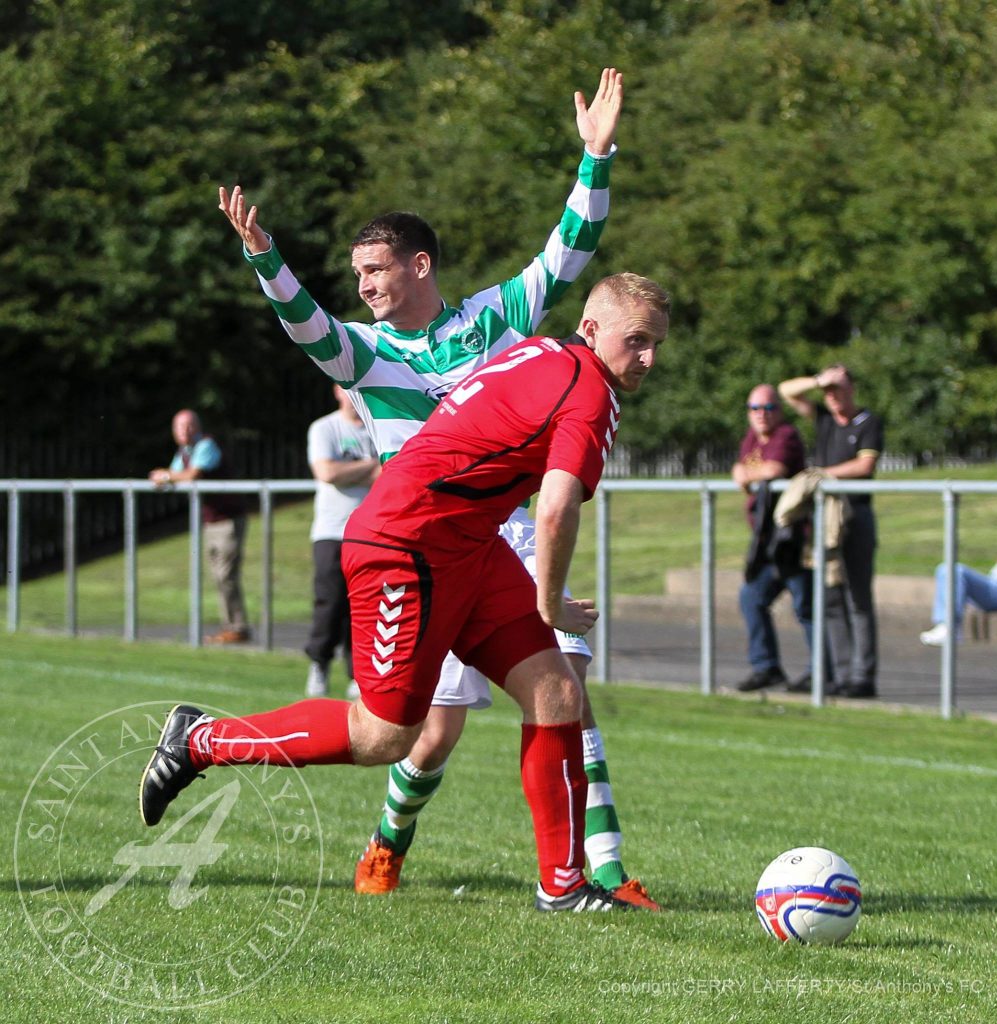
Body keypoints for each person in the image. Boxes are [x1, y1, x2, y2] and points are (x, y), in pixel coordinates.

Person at [214, 68, 655, 909]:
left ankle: (599, 871)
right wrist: (266, 260)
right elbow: (304, 319)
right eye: (358, 275)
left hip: (502, 536)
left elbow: (570, 252)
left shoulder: (493, 320)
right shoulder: (362, 352)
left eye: (377, 270)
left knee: (566, 687)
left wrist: (596, 157)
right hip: (415, 544)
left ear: (420, 265)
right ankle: (388, 840)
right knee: (423, 735)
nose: (366, 287)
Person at [140, 274, 671, 916]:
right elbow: (556, 508)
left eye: (655, 345)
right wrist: (551, 602)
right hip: (405, 546)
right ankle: (200, 740)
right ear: (592, 330)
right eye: (636, 341)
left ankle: (563, 887)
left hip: (467, 542)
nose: (647, 359)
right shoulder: (590, 390)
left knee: (556, 689)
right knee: (385, 737)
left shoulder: (543, 353)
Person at [778, 364, 884, 699]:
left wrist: (823, 475)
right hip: (825, 520)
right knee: (831, 598)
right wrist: (817, 380)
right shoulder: (824, 418)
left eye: (839, 388)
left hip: (855, 515)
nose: (833, 396)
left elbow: (864, 465)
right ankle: (840, 674)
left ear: (851, 388)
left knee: (858, 598)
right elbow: (786, 391)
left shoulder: (868, 422)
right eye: (828, 391)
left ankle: (861, 675)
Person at [731, 385, 812, 693]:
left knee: (806, 605)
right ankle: (766, 667)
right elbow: (749, 469)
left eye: (768, 408)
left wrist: (743, 472)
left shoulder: (786, 436)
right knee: (752, 597)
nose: (761, 415)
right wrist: (746, 470)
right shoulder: (752, 438)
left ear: (779, 411)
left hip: (793, 538)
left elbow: (774, 470)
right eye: (755, 408)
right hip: (766, 542)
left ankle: (822, 672)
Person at [148, 409, 250, 644]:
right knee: (219, 576)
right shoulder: (185, 451)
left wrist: (164, 477)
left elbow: (190, 475)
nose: (185, 431)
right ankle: (231, 627)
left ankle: (237, 627)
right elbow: (177, 474)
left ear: (198, 427)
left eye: (189, 426)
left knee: (226, 575)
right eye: (180, 427)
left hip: (228, 519)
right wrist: (168, 476)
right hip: (210, 521)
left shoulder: (206, 446)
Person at [305, 384, 380, 697]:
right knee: (330, 601)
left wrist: (350, 471)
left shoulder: (378, 428)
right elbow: (327, 472)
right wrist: (370, 467)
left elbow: (391, 472)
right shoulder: (324, 428)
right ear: (337, 390)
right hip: (332, 531)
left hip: (372, 532)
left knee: (364, 605)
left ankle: (357, 674)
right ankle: (319, 663)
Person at [919, 550, 997, 645]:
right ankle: (946, 626)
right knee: (946, 569)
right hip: (996, 584)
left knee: (956, 571)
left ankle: (950, 627)